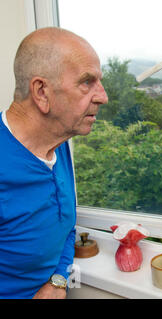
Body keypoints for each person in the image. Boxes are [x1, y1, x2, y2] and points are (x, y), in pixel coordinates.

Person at [0, 27, 108, 299]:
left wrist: (59, 280)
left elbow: (67, 228)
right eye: (87, 82)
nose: (102, 97)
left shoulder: (59, 144)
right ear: (41, 91)